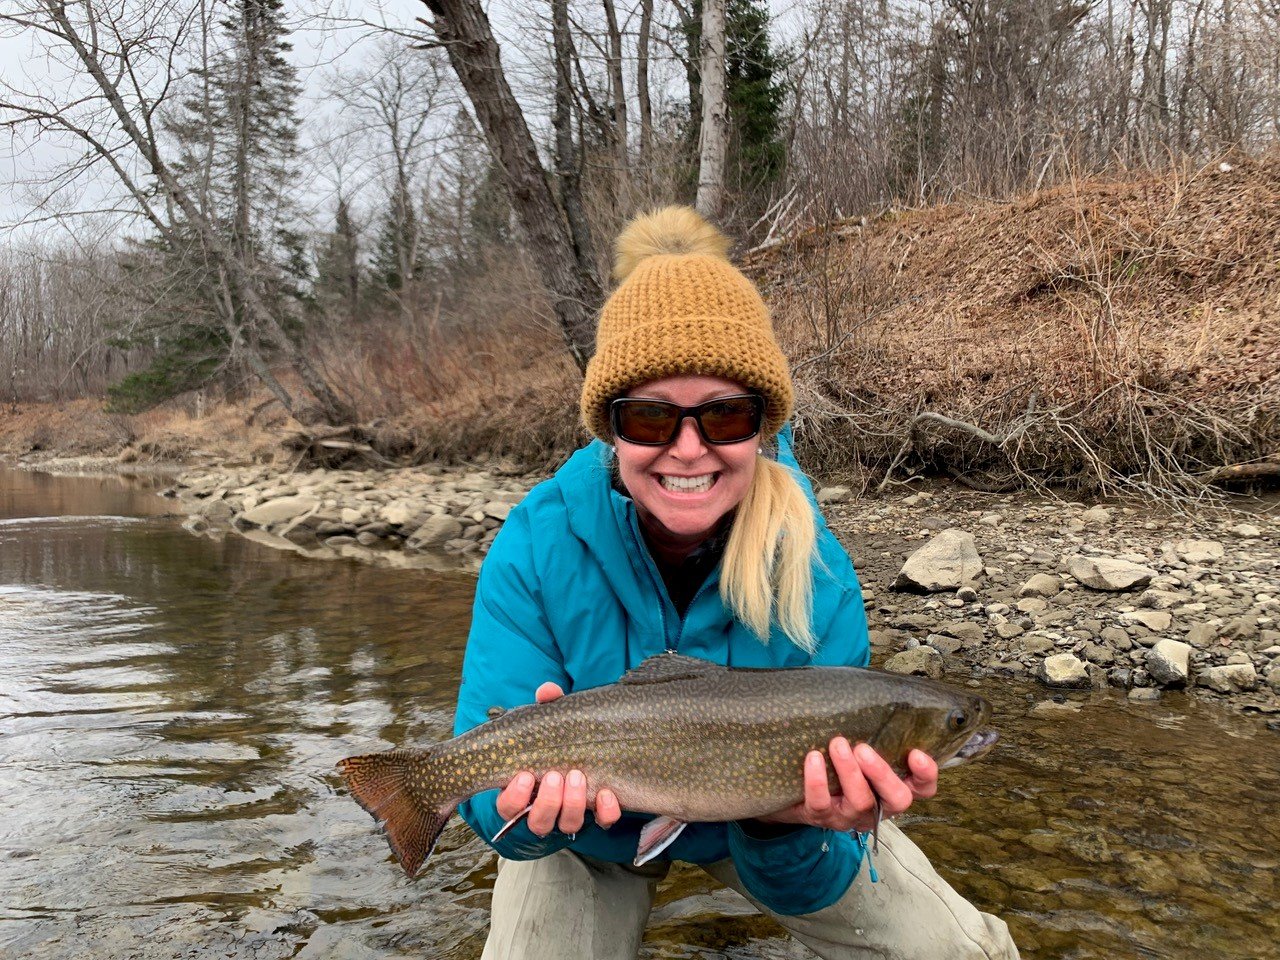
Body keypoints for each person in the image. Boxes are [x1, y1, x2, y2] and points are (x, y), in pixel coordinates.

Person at [453, 206, 1019, 960]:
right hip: (589, 834)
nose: (688, 450)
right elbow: (488, 799)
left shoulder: (815, 569)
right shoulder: (535, 546)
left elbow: (816, 868)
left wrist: (787, 824)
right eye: (651, 419)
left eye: (725, 416)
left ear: (763, 424)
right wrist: (522, 814)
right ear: (608, 428)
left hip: (760, 830)